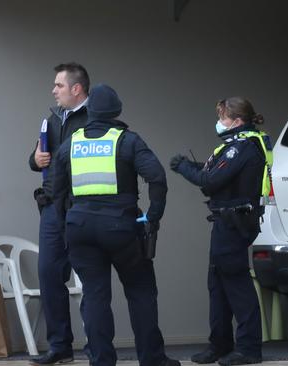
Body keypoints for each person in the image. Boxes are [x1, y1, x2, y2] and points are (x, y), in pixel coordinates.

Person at [51, 84, 180, 366]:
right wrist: (153, 217)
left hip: (80, 228)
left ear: (90, 111)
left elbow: (56, 191)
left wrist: (66, 224)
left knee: (95, 296)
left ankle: (101, 361)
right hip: (121, 228)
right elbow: (157, 178)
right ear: (117, 111)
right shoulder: (128, 140)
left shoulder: (71, 142)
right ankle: (152, 359)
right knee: (141, 291)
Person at [170, 97, 270, 366]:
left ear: (237, 121)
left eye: (223, 117)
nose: (219, 122)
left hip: (235, 223)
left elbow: (210, 180)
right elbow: (212, 173)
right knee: (218, 286)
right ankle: (221, 345)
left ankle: (249, 349)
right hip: (225, 222)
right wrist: (192, 168)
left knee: (237, 285)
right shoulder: (233, 148)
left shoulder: (243, 148)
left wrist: (182, 167)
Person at [28, 62, 89, 365]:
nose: (53, 90)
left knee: (92, 278)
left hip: (84, 209)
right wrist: (35, 158)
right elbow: (36, 157)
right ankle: (60, 347)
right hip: (53, 209)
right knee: (49, 273)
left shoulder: (93, 120)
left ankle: (97, 347)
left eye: (59, 86)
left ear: (76, 89)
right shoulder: (52, 119)